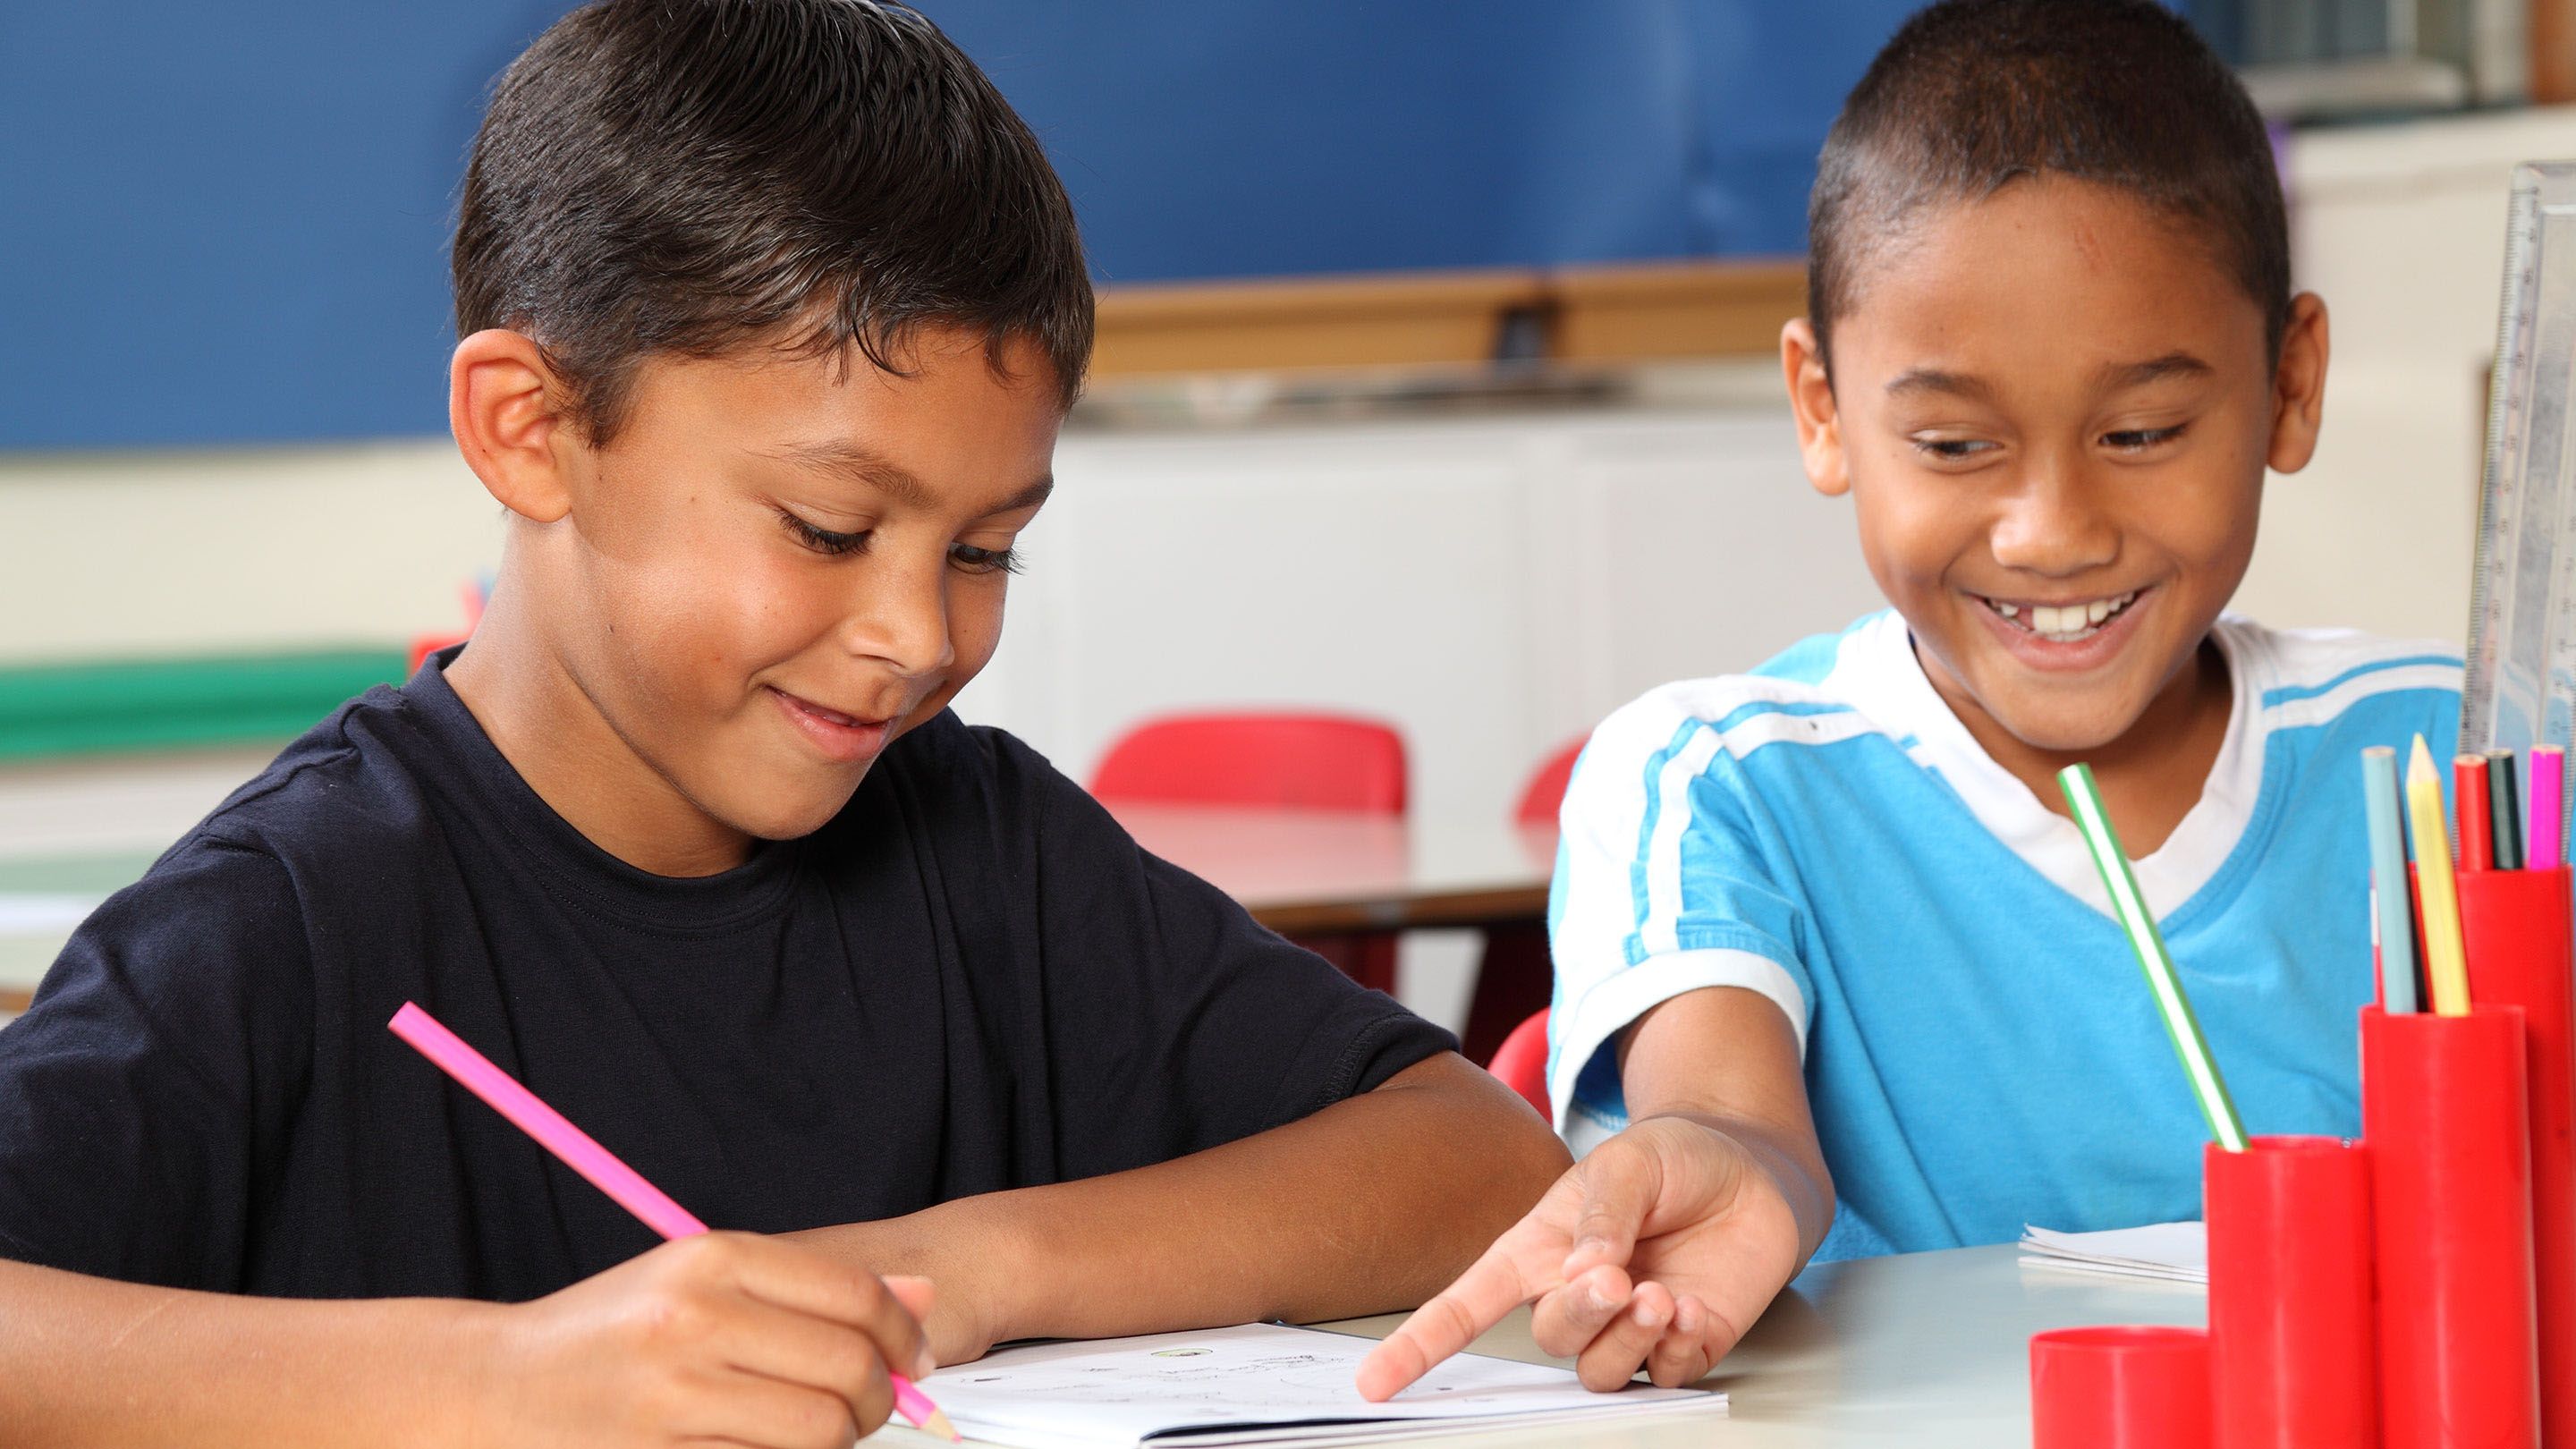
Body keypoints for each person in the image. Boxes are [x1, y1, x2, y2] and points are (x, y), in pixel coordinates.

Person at [0, 4, 1569, 1443]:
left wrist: (950, 1270)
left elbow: (1480, 1162)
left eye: (982, 549)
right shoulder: (293, 916)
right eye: (827, 528)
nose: (917, 638)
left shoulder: (986, 852)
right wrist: (506, 1380)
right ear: (531, 432)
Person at [1360, 0, 2457, 1401]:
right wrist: (1722, 1164)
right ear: (1823, 410)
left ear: (2291, 383)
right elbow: (1727, 1115)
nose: (2051, 530)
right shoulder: (1714, 780)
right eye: (1952, 442)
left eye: (2142, 433)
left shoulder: (2456, 756)